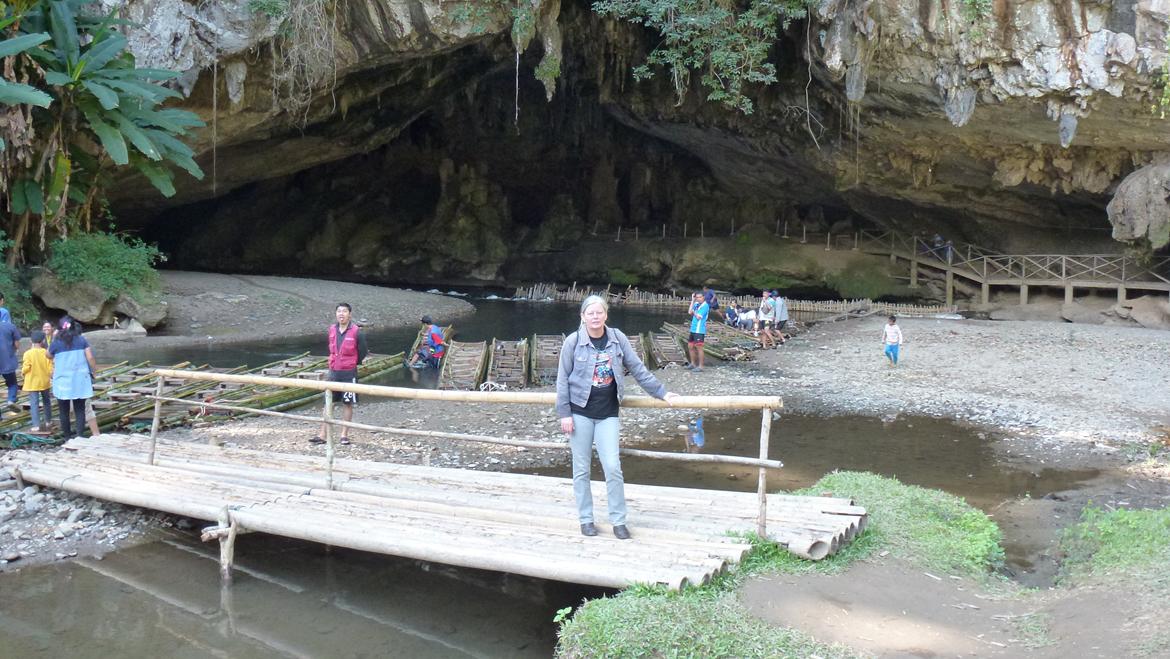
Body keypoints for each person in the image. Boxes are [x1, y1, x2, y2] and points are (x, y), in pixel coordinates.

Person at [556, 295, 678, 540]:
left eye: (599, 312)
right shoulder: (573, 342)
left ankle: (618, 521)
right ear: (582, 316)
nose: (595, 316)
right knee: (581, 470)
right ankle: (586, 519)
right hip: (579, 412)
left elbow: (637, 368)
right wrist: (564, 414)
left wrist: (662, 392)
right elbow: (562, 380)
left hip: (608, 413)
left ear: (606, 315)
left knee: (613, 467)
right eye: (590, 313)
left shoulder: (617, 338)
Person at [312, 303, 367, 446]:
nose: (341, 314)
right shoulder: (332, 329)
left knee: (347, 403)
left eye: (344, 311)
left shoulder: (357, 332)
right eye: (339, 311)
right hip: (333, 372)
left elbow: (363, 351)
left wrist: (353, 362)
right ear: (336, 314)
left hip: (349, 373)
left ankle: (344, 435)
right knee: (328, 402)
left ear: (350, 314)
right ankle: (322, 434)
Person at [48, 317, 98, 438]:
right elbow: (90, 357)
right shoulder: (81, 340)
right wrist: (94, 371)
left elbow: (48, 355)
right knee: (80, 409)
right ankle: (80, 435)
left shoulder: (56, 342)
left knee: (63, 411)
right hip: (80, 379)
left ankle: (67, 437)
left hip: (62, 380)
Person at [21, 330, 53, 432]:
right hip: (44, 381)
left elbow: (26, 367)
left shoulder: (28, 353)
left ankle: (36, 425)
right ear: (43, 341)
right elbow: (50, 368)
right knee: (46, 402)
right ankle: (48, 421)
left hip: (32, 382)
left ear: (31, 341)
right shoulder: (45, 352)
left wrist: (23, 373)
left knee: (34, 403)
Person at [0, 304, 22, 410]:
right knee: (12, 384)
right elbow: (17, 344)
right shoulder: (10, 327)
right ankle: (11, 400)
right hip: (7, 361)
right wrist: (13, 350)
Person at [686, 292, 709, 372]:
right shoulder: (696, 304)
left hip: (699, 330)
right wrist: (692, 300)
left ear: (703, 297)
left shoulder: (705, 306)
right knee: (690, 346)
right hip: (693, 328)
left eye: (700, 297)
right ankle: (693, 363)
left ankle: (701, 366)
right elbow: (689, 312)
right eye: (697, 297)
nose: (698, 299)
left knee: (699, 347)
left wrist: (694, 312)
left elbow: (699, 317)